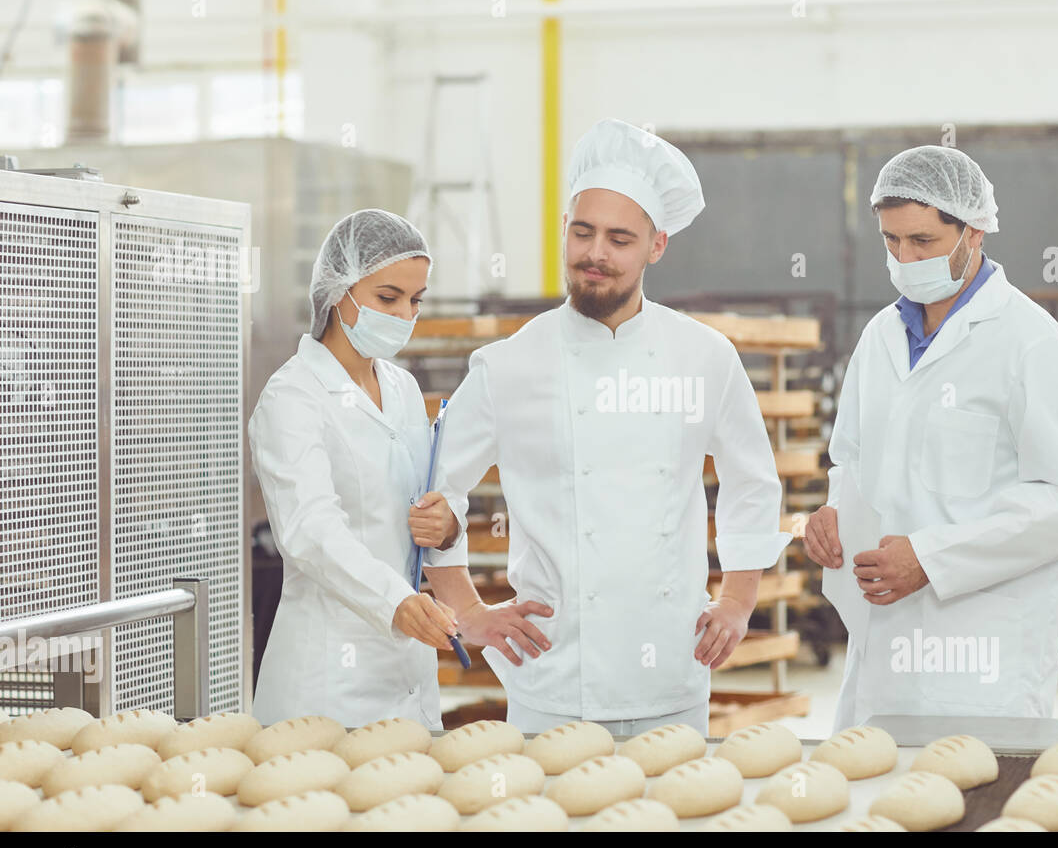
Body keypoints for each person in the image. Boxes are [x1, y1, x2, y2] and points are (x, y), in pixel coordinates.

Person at [409, 119, 790, 736]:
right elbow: (432, 492)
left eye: (620, 239)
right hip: (553, 676)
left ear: (656, 246)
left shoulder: (704, 356)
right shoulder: (509, 364)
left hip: (670, 670)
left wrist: (740, 599)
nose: (596, 254)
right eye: (583, 232)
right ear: (564, 230)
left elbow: (753, 482)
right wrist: (468, 612)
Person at [803, 146, 1058, 731]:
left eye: (922, 242)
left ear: (974, 232)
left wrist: (932, 557)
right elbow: (851, 458)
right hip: (880, 653)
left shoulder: (1032, 346)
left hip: (980, 662)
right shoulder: (881, 336)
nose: (904, 258)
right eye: (891, 241)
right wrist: (833, 513)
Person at [249, 208, 459, 727]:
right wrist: (397, 602)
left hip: (409, 668)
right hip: (328, 681)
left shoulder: (404, 389)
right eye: (387, 298)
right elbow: (310, 530)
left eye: (415, 301)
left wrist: (449, 524)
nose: (405, 315)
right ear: (336, 291)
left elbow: (425, 496)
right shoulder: (293, 396)